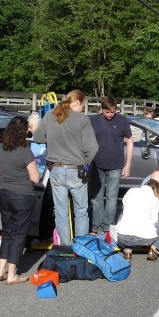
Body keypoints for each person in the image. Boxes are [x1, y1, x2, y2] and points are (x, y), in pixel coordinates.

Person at [32, 90, 99, 247]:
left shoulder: (50, 115)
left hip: (56, 169)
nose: (82, 110)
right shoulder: (82, 120)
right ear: (76, 103)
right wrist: (86, 162)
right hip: (77, 168)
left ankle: (66, 248)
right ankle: (81, 248)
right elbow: (93, 147)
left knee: (61, 213)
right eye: (82, 106)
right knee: (81, 212)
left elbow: (38, 137)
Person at [0, 117, 40, 285]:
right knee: (19, 234)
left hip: (4, 194)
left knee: (7, 231)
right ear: (23, 131)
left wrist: (8, 172)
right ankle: (12, 275)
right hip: (22, 196)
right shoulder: (25, 150)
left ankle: (0, 270)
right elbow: (35, 178)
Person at [89, 96, 133, 235]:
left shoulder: (122, 121)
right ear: (101, 109)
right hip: (96, 165)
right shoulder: (93, 121)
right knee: (96, 199)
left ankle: (107, 226)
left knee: (112, 198)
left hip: (115, 165)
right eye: (107, 112)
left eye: (112, 112)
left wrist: (128, 164)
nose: (109, 115)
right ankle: (96, 227)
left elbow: (130, 141)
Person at [112, 179, 159, 262]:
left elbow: (124, 205)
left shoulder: (131, 191)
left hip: (123, 239)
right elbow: (154, 220)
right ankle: (153, 250)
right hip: (144, 240)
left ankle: (128, 251)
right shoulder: (154, 199)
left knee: (124, 221)